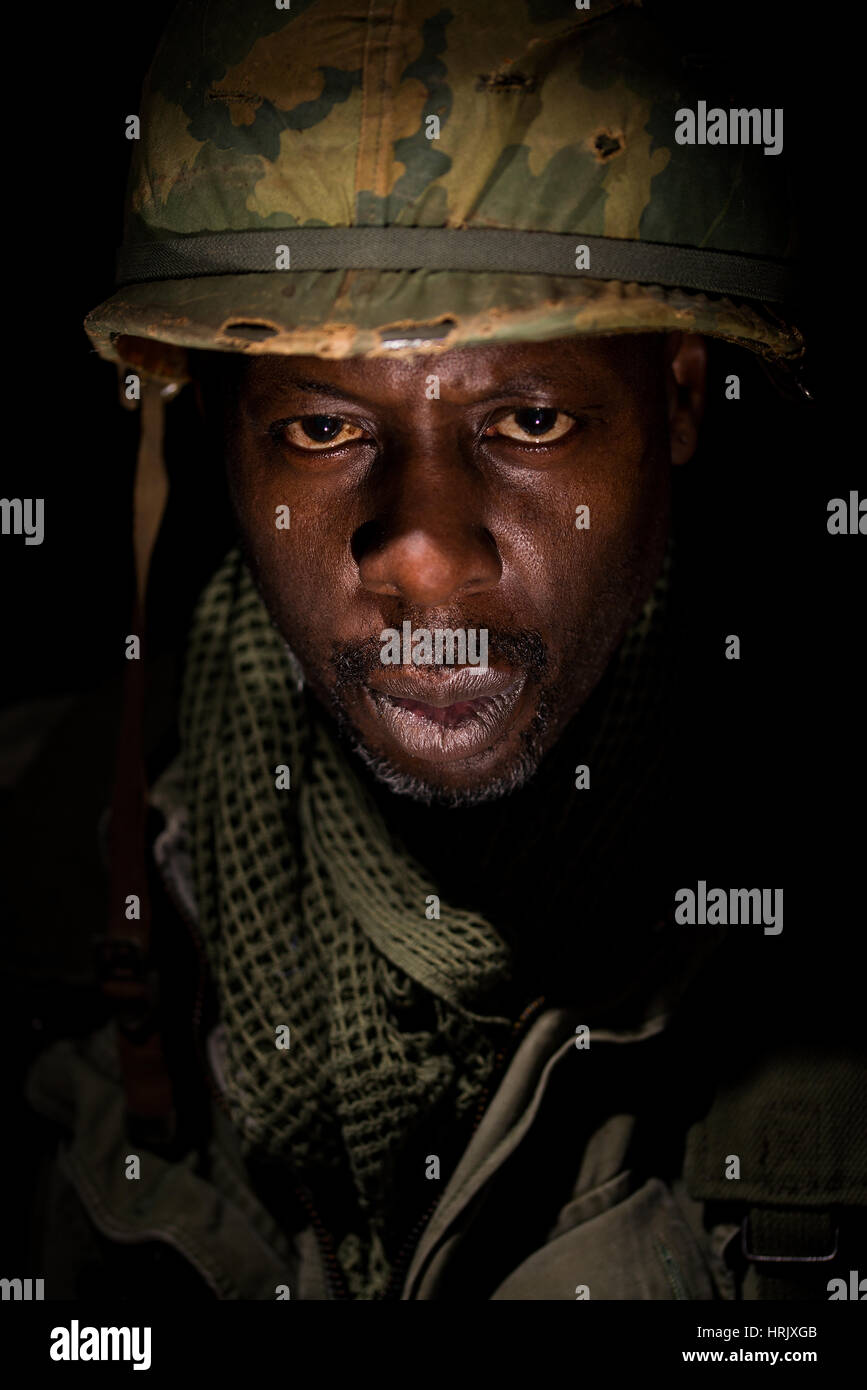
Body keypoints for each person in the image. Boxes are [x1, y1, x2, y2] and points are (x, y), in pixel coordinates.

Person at [24, 0, 865, 1301]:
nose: (420, 551)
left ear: (681, 399)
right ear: (221, 444)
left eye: (527, 417)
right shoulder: (45, 871)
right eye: (319, 429)